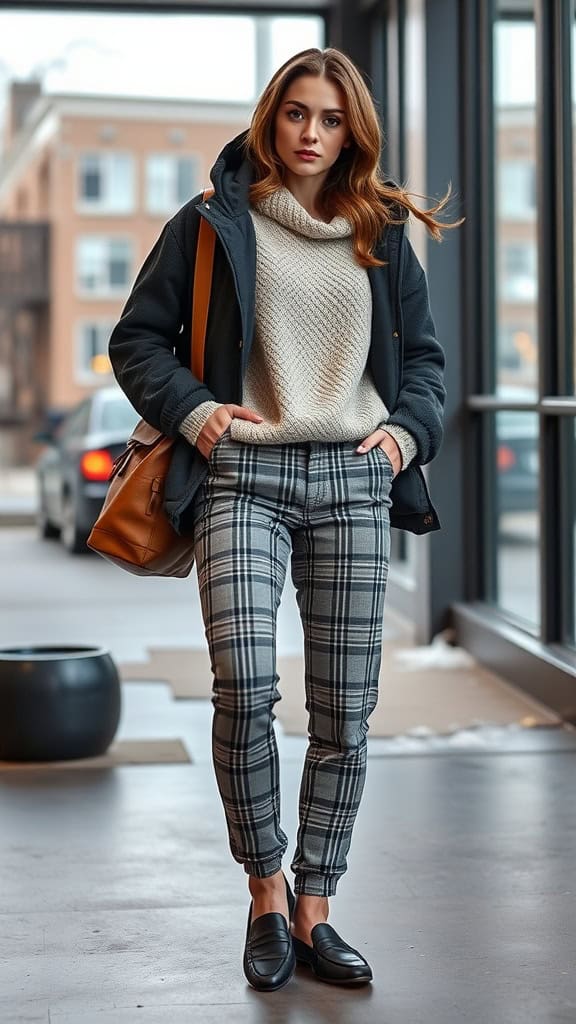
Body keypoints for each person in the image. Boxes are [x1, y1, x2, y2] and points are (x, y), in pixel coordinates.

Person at [108, 46, 463, 992]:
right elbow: (136, 338)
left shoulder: (381, 233)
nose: (311, 134)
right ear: (273, 116)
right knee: (245, 684)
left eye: (331, 119)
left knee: (345, 708)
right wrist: (198, 412)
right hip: (243, 479)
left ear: (355, 132)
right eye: (297, 113)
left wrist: (400, 438)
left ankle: (317, 907)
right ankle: (266, 891)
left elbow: (425, 363)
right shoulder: (212, 224)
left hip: (352, 480)